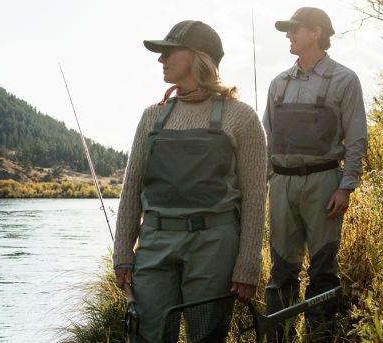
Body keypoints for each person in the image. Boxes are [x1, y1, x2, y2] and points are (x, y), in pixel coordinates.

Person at [112, 20, 267, 343]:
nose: (161, 60)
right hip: (154, 244)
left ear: (199, 56)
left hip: (214, 245)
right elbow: (131, 191)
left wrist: (248, 264)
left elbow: (255, 197)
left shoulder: (242, 117)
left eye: (169, 52)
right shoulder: (151, 117)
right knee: (148, 336)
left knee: (206, 337)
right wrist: (123, 253)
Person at [262, 7, 368, 342]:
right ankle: (279, 338)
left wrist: (346, 187)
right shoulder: (278, 84)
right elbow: (267, 139)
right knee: (281, 270)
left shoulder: (345, 79)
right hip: (280, 184)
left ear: (317, 32)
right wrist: (259, 186)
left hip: (324, 183)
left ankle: (320, 337)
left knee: (322, 269)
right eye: (288, 30)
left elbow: (357, 139)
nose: (289, 36)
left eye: (296, 29)